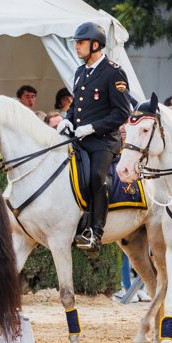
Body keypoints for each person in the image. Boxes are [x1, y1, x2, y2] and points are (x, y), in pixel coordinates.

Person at [56, 21, 134, 252]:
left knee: (97, 177)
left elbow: (122, 112)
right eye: (76, 43)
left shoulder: (113, 72)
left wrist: (91, 127)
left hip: (104, 141)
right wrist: (67, 119)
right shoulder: (81, 72)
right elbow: (77, 105)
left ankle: (95, 232)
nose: (77, 47)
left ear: (96, 45)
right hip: (79, 138)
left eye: (80, 43)